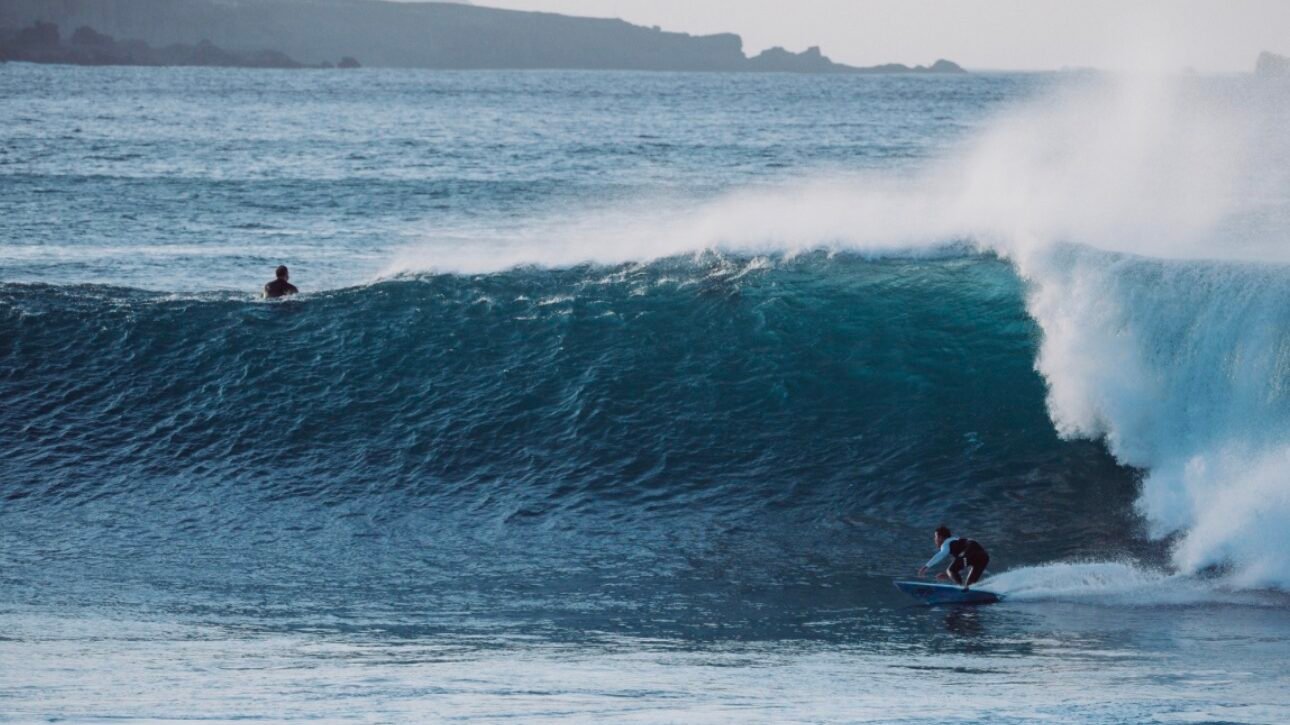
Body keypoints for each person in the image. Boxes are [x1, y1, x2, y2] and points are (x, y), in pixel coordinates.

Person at [918, 525, 989, 590]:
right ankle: (969, 592)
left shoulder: (946, 543)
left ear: (941, 538)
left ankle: (960, 588)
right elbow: (962, 564)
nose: (935, 540)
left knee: (951, 570)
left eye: (935, 537)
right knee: (969, 586)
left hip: (970, 549)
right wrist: (949, 575)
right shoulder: (956, 544)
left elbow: (941, 554)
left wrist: (926, 567)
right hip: (983, 556)